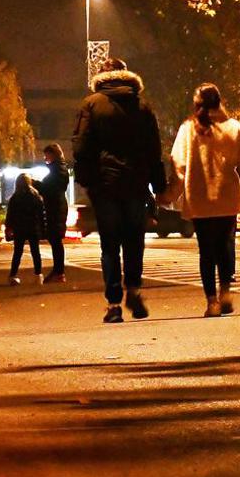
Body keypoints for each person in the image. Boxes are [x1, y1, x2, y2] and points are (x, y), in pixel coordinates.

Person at [73, 57, 165, 324]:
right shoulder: (143, 106)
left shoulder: (91, 104)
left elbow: (81, 146)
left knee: (110, 245)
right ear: (126, 75)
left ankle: (113, 304)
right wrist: (158, 185)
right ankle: (134, 290)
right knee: (134, 241)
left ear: (102, 77)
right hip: (136, 183)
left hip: (105, 184)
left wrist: (87, 180)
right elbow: (154, 149)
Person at [168, 84, 240, 317]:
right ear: (220, 101)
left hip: (199, 198)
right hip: (226, 196)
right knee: (226, 245)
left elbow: (178, 166)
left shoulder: (188, 129)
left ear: (197, 103)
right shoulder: (234, 128)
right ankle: (226, 291)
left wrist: (169, 195)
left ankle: (212, 301)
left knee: (206, 251)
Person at [35, 145, 70, 283]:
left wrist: (36, 184)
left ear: (54, 155)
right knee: (54, 239)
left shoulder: (58, 170)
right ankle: (58, 271)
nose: (45, 159)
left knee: (55, 240)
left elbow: (51, 189)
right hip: (56, 207)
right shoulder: (58, 169)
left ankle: (59, 271)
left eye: (47, 155)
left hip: (56, 208)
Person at [4, 172, 46, 285]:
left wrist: (8, 228)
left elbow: (10, 215)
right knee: (35, 252)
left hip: (19, 228)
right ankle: (38, 275)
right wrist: (42, 229)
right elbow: (41, 214)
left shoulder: (15, 197)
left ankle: (13, 275)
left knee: (17, 252)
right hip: (33, 226)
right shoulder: (36, 196)